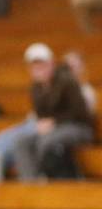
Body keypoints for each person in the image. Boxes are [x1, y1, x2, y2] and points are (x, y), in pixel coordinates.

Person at [12, 43, 95, 180]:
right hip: (54, 128)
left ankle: (52, 180)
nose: (39, 70)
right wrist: (43, 123)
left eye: (42, 65)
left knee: (47, 141)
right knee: (21, 141)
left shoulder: (67, 81)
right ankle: (31, 184)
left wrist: (55, 121)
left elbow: (80, 112)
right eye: (35, 67)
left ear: (51, 64)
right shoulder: (36, 88)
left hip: (78, 126)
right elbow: (41, 115)